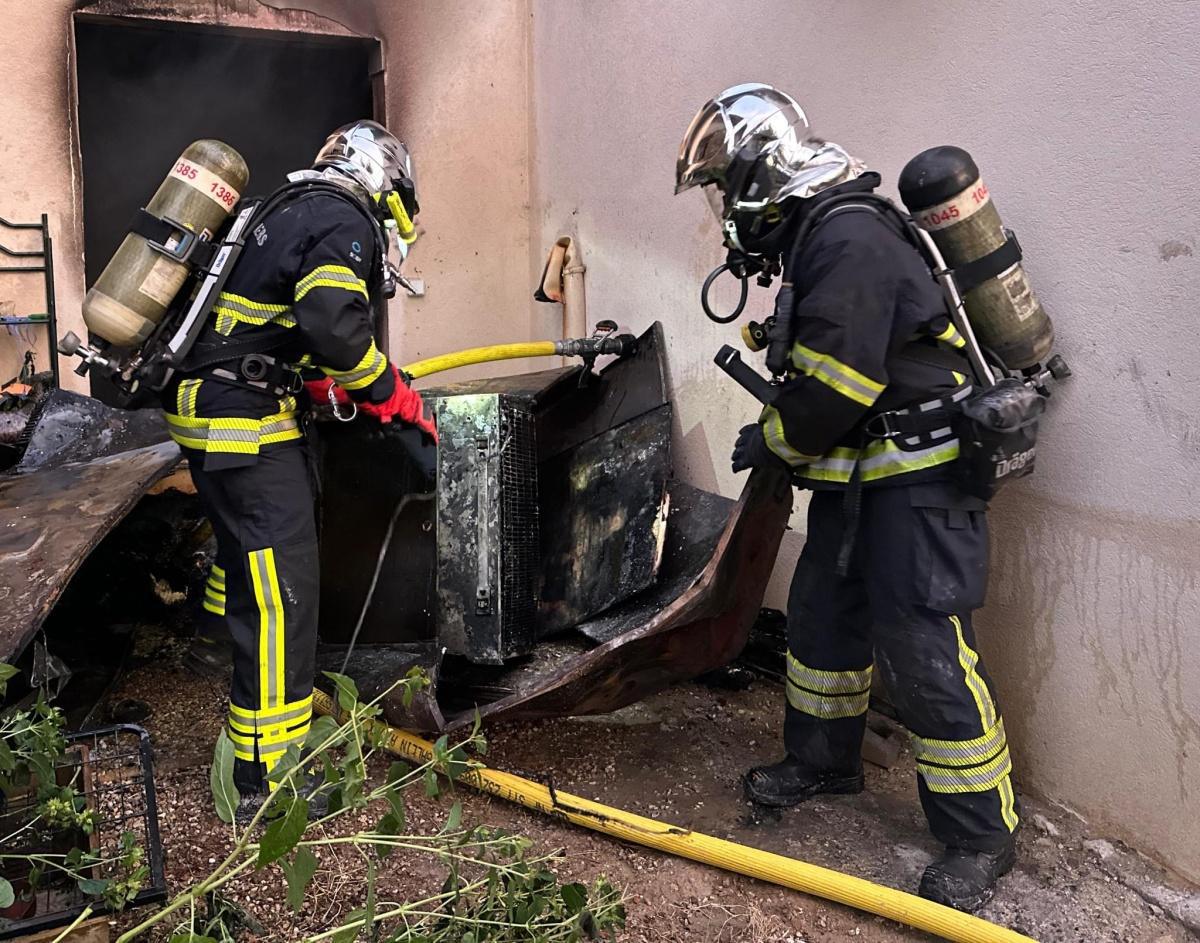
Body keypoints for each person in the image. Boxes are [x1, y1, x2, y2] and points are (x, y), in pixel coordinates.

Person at [675, 84, 1019, 912]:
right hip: (858, 480)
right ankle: (824, 759)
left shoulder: (850, 235)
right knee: (824, 622)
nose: (727, 209)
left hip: (916, 484)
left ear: (765, 176)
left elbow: (837, 386)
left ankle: (981, 833)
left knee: (924, 647)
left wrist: (775, 439)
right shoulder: (820, 238)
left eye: (728, 188)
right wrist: (789, 433)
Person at [162, 120, 436, 817]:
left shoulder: (284, 208)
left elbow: (271, 324)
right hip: (243, 421)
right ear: (385, 182)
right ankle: (268, 778)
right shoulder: (344, 218)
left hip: (215, 405)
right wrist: (389, 391)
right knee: (285, 594)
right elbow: (333, 325)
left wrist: (315, 384)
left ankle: (208, 641)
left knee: (249, 563)